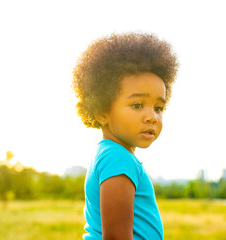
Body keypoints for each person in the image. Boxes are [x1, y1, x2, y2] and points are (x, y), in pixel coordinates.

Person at [72, 32, 179, 240]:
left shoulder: (112, 154)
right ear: (102, 111)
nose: (152, 117)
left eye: (159, 107)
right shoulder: (117, 158)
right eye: (137, 105)